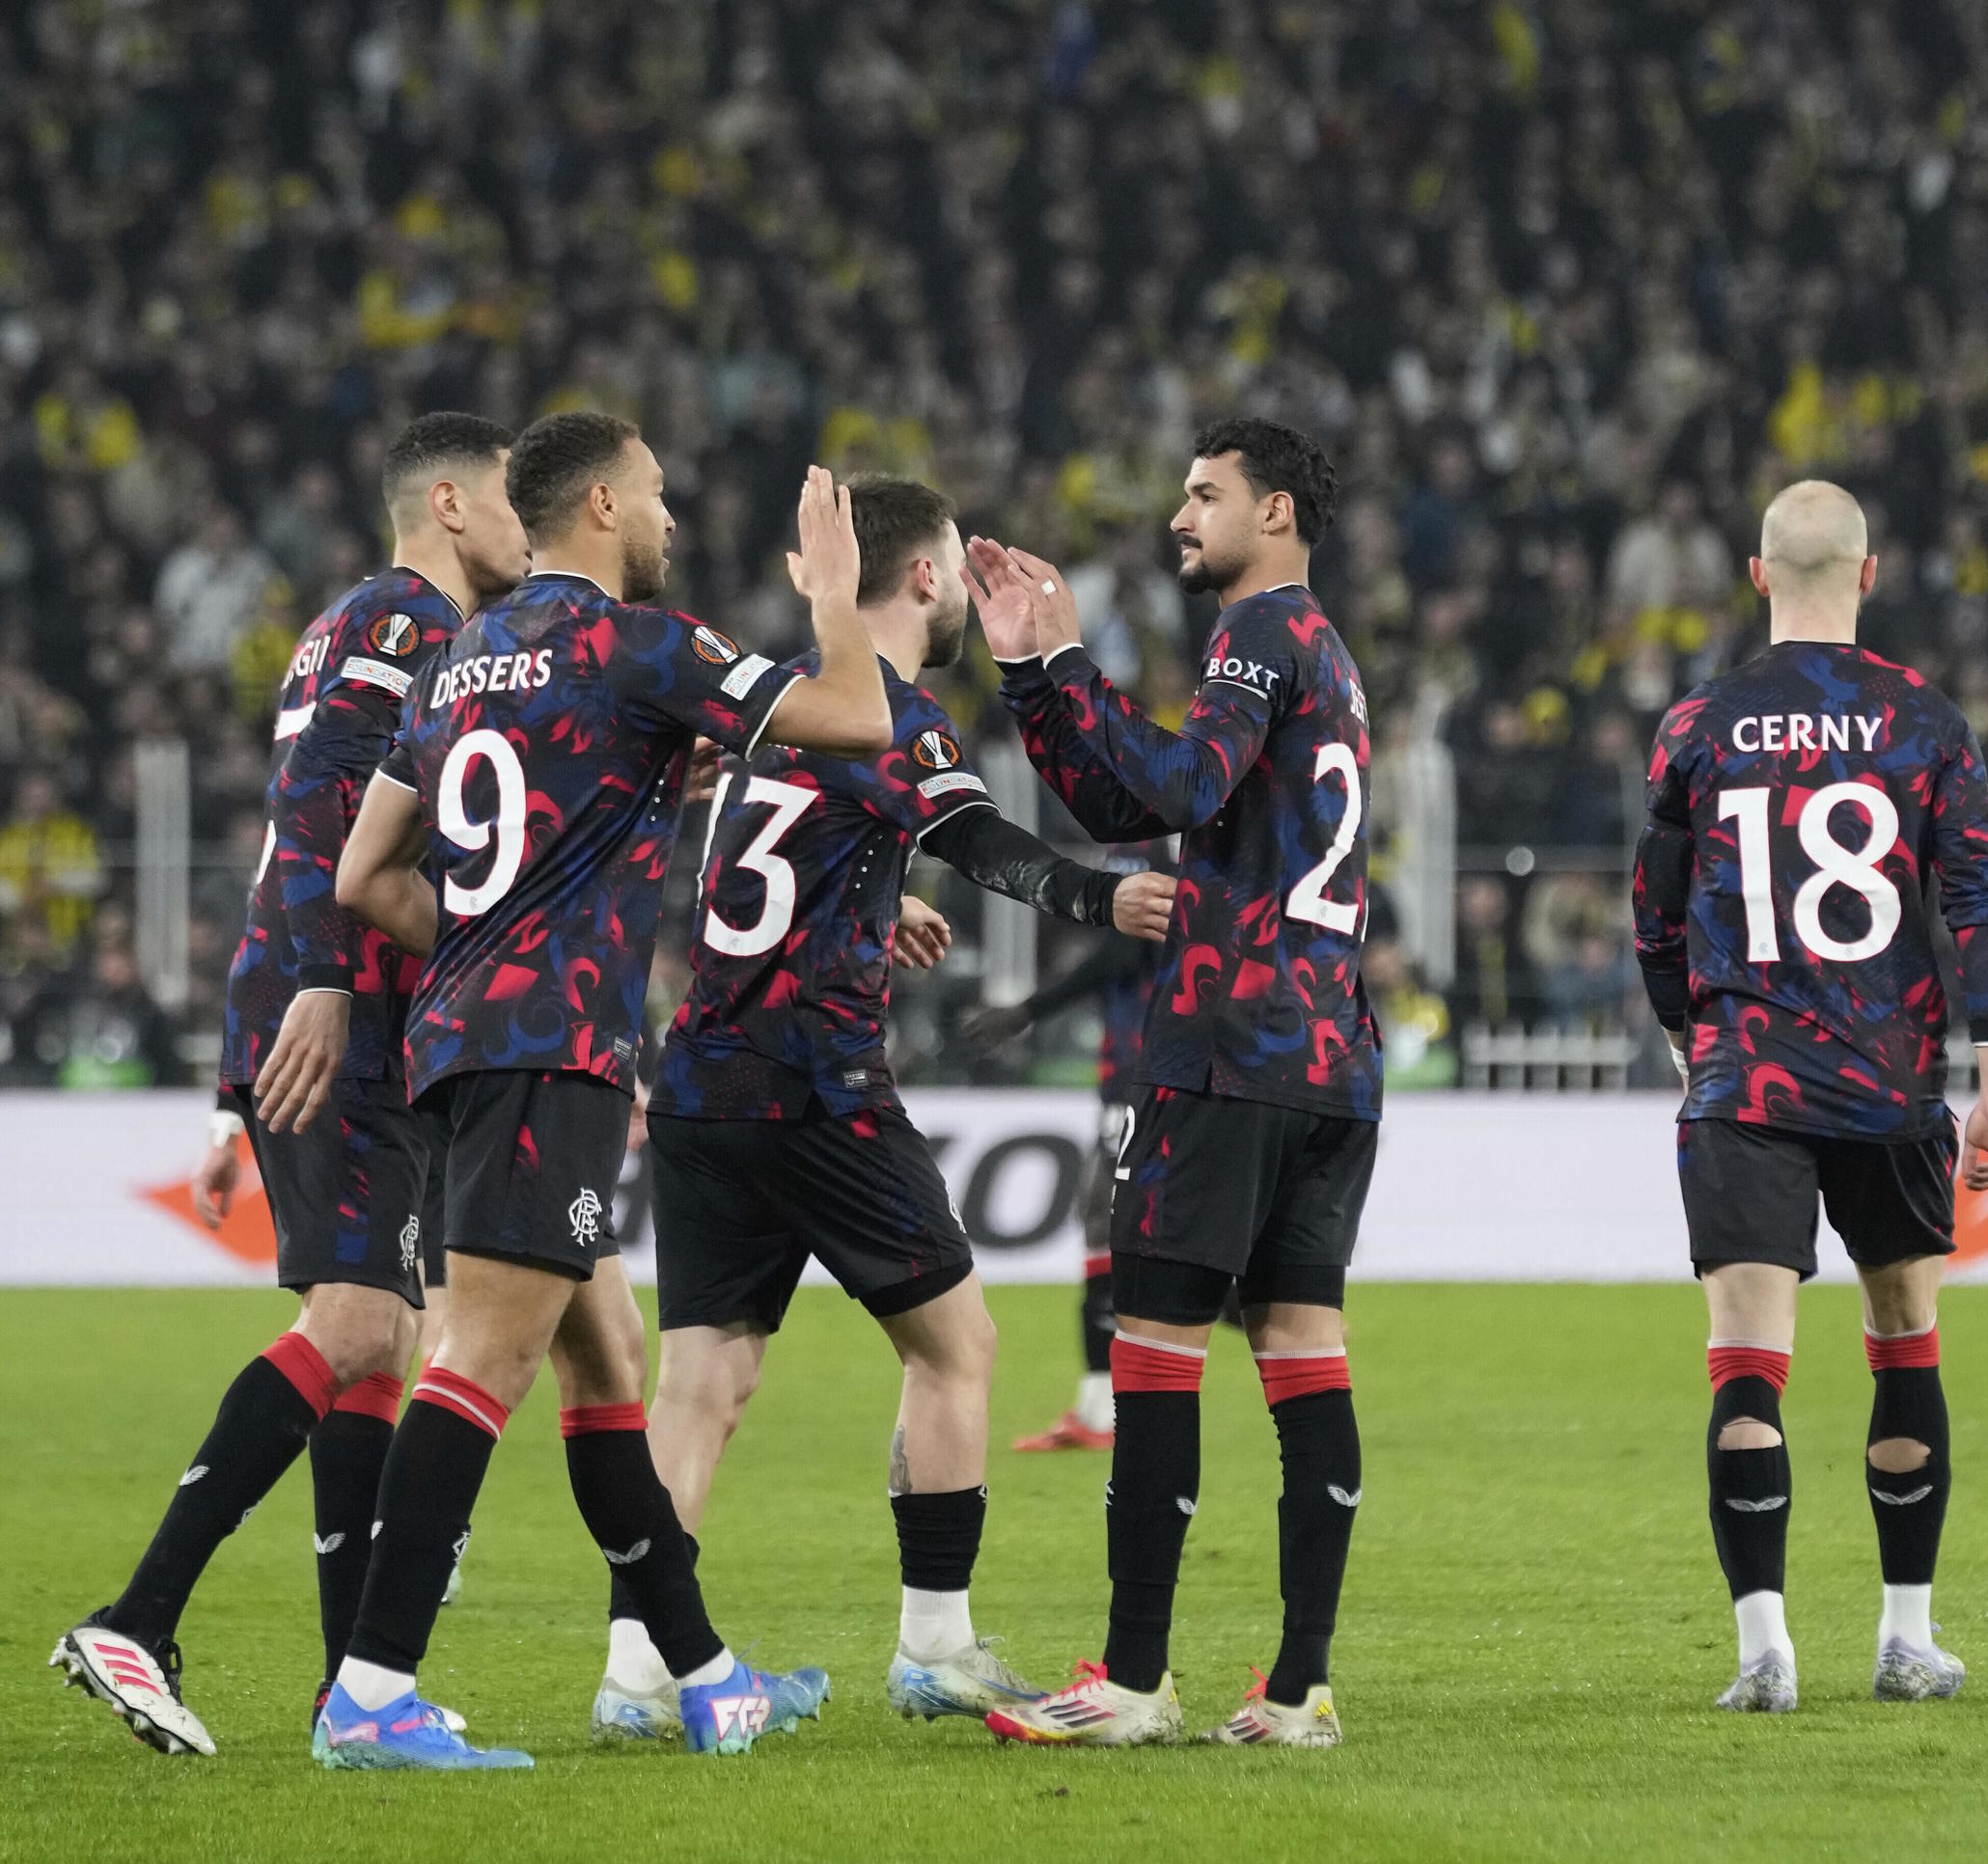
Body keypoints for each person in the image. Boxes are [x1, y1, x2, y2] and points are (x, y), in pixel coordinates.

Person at [318, 412, 895, 1768]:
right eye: (654, 496)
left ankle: (702, 1672)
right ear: (596, 507)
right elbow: (860, 720)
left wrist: (484, 943)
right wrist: (831, 598)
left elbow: (365, 877)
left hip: (466, 1041)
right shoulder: (644, 645)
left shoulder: (460, 661)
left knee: (607, 1365)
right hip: (552, 1055)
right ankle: (371, 1691)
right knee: (484, 1360)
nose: (670, 519)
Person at [597, 476, 1174, 1739]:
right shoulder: (883, 714)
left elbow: (764, 861)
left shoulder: (770, 708)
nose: (967, 583)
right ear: (924, 579)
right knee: (957, 1348)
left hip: (700, 1079)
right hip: (815, 1088)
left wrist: (868, 904)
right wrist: (1100, 901)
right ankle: (936, 1648)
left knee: (701, 1386)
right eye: (960, 564)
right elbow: (977, 841)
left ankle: (639, 1673)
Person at [51, 413, 527, 1758]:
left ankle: (348, 1692)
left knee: (370, 1342)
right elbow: (318, 807)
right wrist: (324, 981)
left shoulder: (349, 628)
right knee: (364, 1328)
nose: (519, 531)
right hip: (346, 1015)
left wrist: (226, 1086)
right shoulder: (400, 625)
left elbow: (277, 845)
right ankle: (138, 1617)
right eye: (505, 505)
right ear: (447, 502)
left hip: (322, 1011)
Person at [967, 416, 1378, 1749]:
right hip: (1330, 1058)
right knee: (1304, 1354)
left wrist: (1069, 659)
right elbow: (1131, 799)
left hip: (1230, 1045)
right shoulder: (1330, 656)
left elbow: (1180, 777)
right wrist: (1038, 679)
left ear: (1275, 512)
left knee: (1152, 1350)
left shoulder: (1258, 634)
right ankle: (1300, 1687)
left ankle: (1133, 1681)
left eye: (1204, 496)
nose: (1178, 517)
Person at [1630, 479, 1988, 1713]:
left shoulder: (1696, 723)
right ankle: (1906, 1636)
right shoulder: (1928, 723)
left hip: (1745, 1079)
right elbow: (1981, 907)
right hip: (1891, 1081)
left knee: (1747, 1364)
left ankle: (1765, 1651)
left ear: (1757, 577)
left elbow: (1651, 915)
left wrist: (1687, 1035)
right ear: (1868, 573)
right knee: (1904, 1342)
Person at [975, 839, 1176, 1455]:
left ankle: (1103, 1411)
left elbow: (1121, 947)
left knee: (1104, 1226)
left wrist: (1030, 1009)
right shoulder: (1157, 843)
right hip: (1144, 1074)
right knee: (1122, 1229)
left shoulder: (1148, 853)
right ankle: (1101, 1408)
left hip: (1143, 1078)